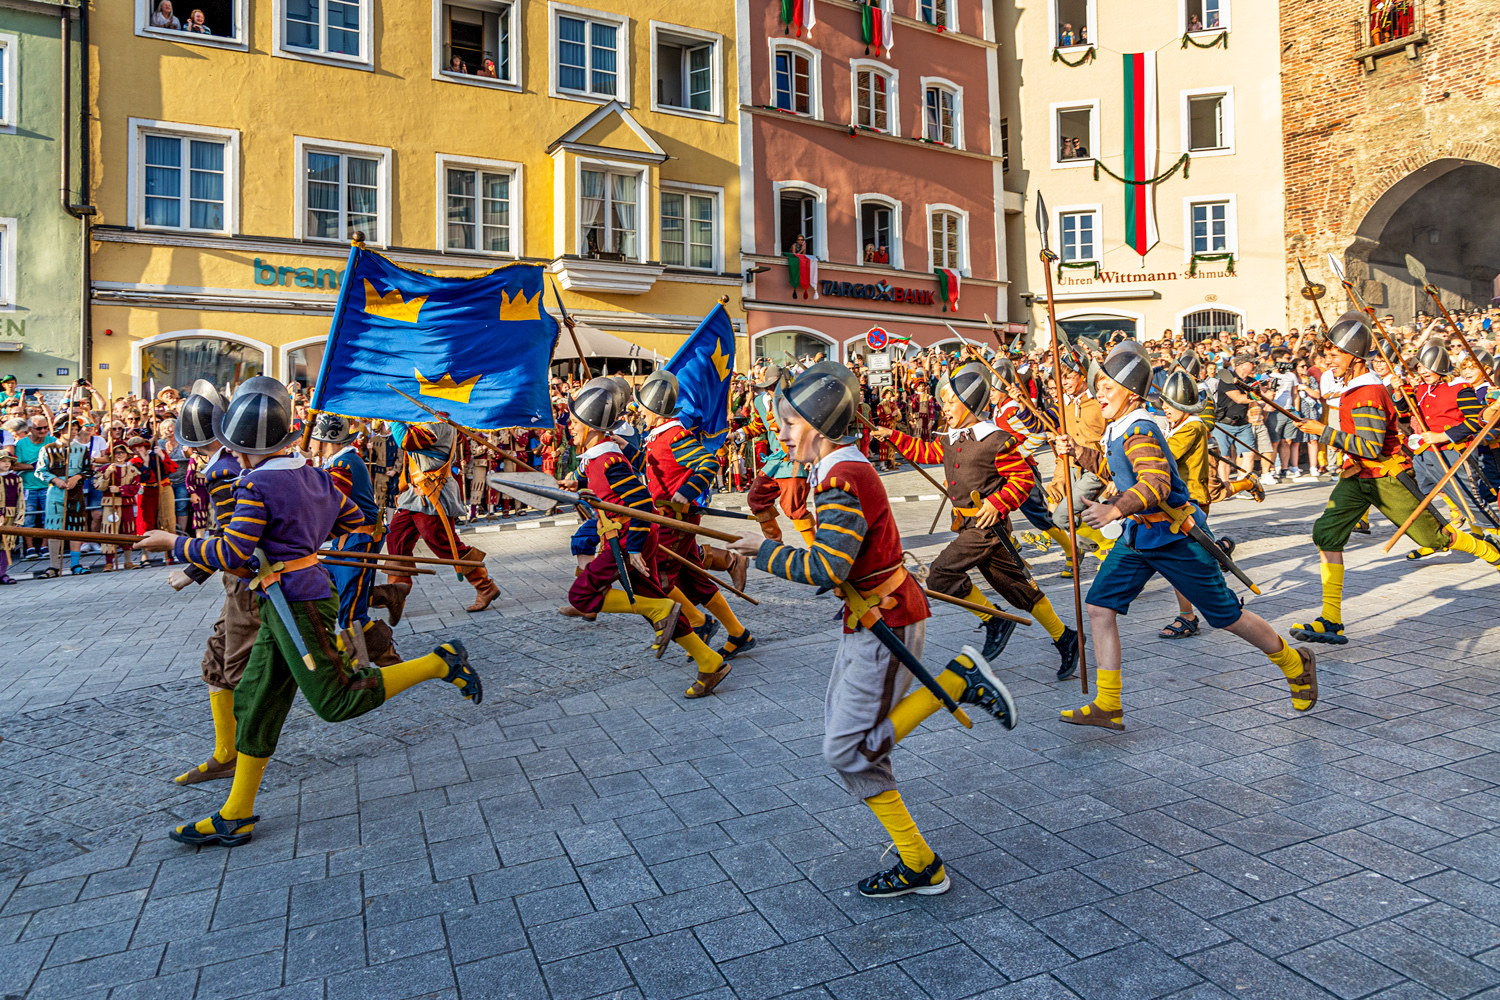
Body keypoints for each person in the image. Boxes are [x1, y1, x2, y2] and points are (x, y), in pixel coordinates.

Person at [134, 377, 482, 848]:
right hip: (285, 596)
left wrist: (172, 542)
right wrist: (297, 542)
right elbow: (351, 519)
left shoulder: (256, 484)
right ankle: (236, 813)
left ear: (247, 449)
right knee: (254, 703)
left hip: (298, 603)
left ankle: (440, 662)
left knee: (338, 700)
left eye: (236, 449)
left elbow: (235, 552)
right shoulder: (313, 474)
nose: (233, 457)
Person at [730, 362, 1019, 898]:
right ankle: (919, 863)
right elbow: (831, 554)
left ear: (815, 427)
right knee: (851, 746)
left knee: (848, 751)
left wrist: (764, 549)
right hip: (870, 617)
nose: (780, 434)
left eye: (788, 424)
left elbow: (826, 569)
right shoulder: (837, 470)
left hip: (885, 620)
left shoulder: (841, 477)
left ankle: (957, 683)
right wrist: (766, 527)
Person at [1057, 342, 1319, 729]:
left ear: (1130, 394)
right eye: (1098, 387)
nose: (1099, 394)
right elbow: (1121, 473)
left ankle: (1293, 661)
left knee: (1226, 615)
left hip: (1177, 537)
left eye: (1107, 388)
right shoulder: (1120, 428)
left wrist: (1114, 509)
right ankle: (1108, 703)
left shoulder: (1141, 429)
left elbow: (1156, 484)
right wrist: (1079, 453)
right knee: (1099, 607)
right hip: (1139, 539)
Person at [1290, 314, 1500, 645]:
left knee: (1436, 539)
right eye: (1327, 354)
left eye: (1333, 354)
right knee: (1326, 534)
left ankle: (1489, 550)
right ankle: (1331, 619)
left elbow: (1372, 447)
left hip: (1386, 476)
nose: (1327, 361)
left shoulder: (1368, 393)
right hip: (1358, 475)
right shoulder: (1355, 387)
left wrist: (1323, 432)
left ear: (1354, 357)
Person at [874, 362, 1082, 675]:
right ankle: (1065, 638)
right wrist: (893, 435)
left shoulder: (995, 440)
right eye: (943, 401)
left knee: (941, 574)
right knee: (1019, 589)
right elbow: (928, 453)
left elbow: (1023, 478)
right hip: (970, 525)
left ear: (969, 404)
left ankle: (994, 620)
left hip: (988, 528)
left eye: (949, 401)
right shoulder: (952, 436)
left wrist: (998, 503)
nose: (944, 408)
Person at [556, 378, 727, 679]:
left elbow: (642, 504)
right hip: (624, 538)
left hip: (627, 541)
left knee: (580, 596)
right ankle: (709, 661)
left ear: (592, 427)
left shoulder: (609, 459)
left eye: (574, 422)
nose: (570, 427)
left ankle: (667, 610)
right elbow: (626, 481)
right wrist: (579, 483)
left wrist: (634, 547)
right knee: (662, 605)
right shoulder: (601, 459)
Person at [636, 371, 756, 679]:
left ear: (655, 411)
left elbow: (709, 463)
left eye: (642, 408)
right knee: (693, 578)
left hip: (674, 521)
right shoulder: (658, 436)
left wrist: (686, 491)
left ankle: (699, 624)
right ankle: (738, 633)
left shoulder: (675, 436)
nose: (638, 412)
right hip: (668, 519)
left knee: (658, 577)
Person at [308, 413, 401, 666]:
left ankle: (370, 664)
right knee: (329, 585)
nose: (312, 444)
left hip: (360, 539)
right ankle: (388, 594)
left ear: (329, 442)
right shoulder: (337, 461)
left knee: (351, 615)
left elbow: (327, 501)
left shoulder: (344, 464)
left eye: (316, 439)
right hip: (346, 539)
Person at [385, 419, 500, 612]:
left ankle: (485, 586)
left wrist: (394, 416)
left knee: (442, 543)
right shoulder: (425, 419)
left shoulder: (437, 420)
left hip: (433, 491)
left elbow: (406, 440)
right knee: (396, 537)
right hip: (414, 492)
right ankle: (397, 592)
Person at [744, 365, 814, 543]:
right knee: (757, 498)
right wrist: (738, 434)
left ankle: (818, 551)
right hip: (774, 461)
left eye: (774, 384)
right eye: (768, 385)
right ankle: (776, 546)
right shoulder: (760, 402)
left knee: (794, 508)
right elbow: (758, 426)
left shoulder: (797, 401)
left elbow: (811, 429)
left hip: (795, 460)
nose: (770, 389)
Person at [15, 416, 56, 562]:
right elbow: (15, 464)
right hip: (28, 486)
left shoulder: (52, 441)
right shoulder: (21, 444)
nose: (44, 430)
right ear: (30, 429)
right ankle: (30, 547)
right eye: (39, 428)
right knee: (28, 518)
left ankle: (45, 546)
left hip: (48, 484)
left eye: (46, 427)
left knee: (48, 517)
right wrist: (33, 466)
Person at [0, 451, 20, 584]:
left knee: (6, 544)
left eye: (8, 461)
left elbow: (20, 500)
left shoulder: (16, 478)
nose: (6, 463)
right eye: (3, 461)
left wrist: (19, 518)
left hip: (11, 515)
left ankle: (2, 573)